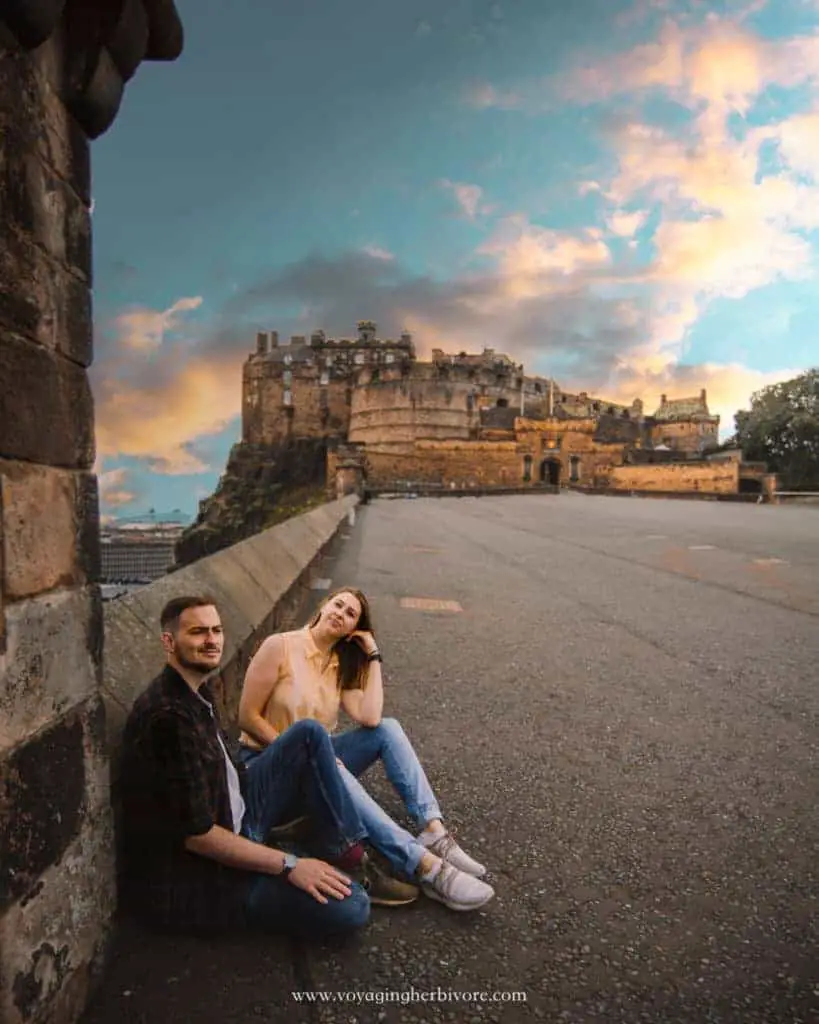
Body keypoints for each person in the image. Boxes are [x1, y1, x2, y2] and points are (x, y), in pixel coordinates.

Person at [118, 594, 371, 938]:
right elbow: (199, 837)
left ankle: (343, 850)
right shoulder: (169, 718)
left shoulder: (196, 691)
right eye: (197, 632)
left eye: (217, 630)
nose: (211, 640)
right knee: (355, 906)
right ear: (168, 641)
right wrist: (289, 865)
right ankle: (298, 854)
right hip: (207, 877)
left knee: (309, 734)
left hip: (237, 808)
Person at [238, 587, 495, 912]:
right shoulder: (281, 646)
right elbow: (246, 717)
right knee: (318, 744)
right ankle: (424, 866)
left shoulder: (337, 665)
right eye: (338, 605)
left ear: (353, 629)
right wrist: (307, 755)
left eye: (350, 615)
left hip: (317, 764)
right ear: (323, 605)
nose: (341, 614)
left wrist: (373, 655)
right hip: (266, 768)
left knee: (388, 728)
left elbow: (370, 717)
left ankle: (434, 830)